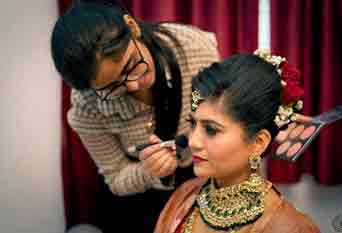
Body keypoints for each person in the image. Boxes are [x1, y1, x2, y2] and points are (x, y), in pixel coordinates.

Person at [51, 1, 220, 232]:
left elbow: (222, 116)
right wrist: (149, 172)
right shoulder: (87, 105)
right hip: (138, 199)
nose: (134, 85)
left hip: (202, 178)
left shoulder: (193, 48)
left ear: (132, 27)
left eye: (130, 65)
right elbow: (116, 177)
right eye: (112, 86)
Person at [154, 52, 320, 233]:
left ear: (258, 142)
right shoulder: (183, 196)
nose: (193, 142)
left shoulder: (290, 228)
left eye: (211, 129)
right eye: (193, 124)